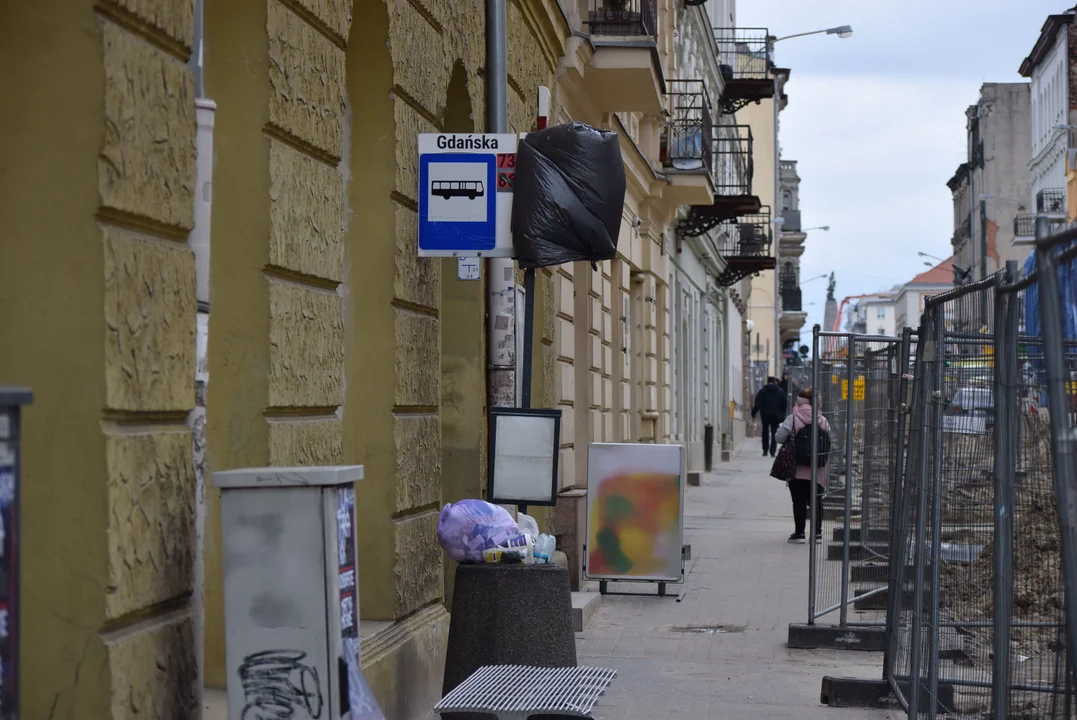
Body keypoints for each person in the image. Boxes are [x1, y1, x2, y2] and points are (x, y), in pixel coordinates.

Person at [775, 388, 831, 544]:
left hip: (797, 468)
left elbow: (779, 438)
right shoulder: (823, 420)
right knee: (817, 501)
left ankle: (799, 533)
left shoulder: (792, 419)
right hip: (818, 470)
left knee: (798, 501)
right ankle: (817, 534)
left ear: (800, 402)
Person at [751, 377, 787, 457]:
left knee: (765, 431)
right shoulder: (780, 391)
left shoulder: (762, 391)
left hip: (765, 414)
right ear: (775, 382)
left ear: (767, 382)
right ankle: (773, 452)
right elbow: (784, 404)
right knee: (774, 432)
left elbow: (757, 404)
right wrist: (781, 414)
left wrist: (753, 413)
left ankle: (765, 450)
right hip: (776, 415)